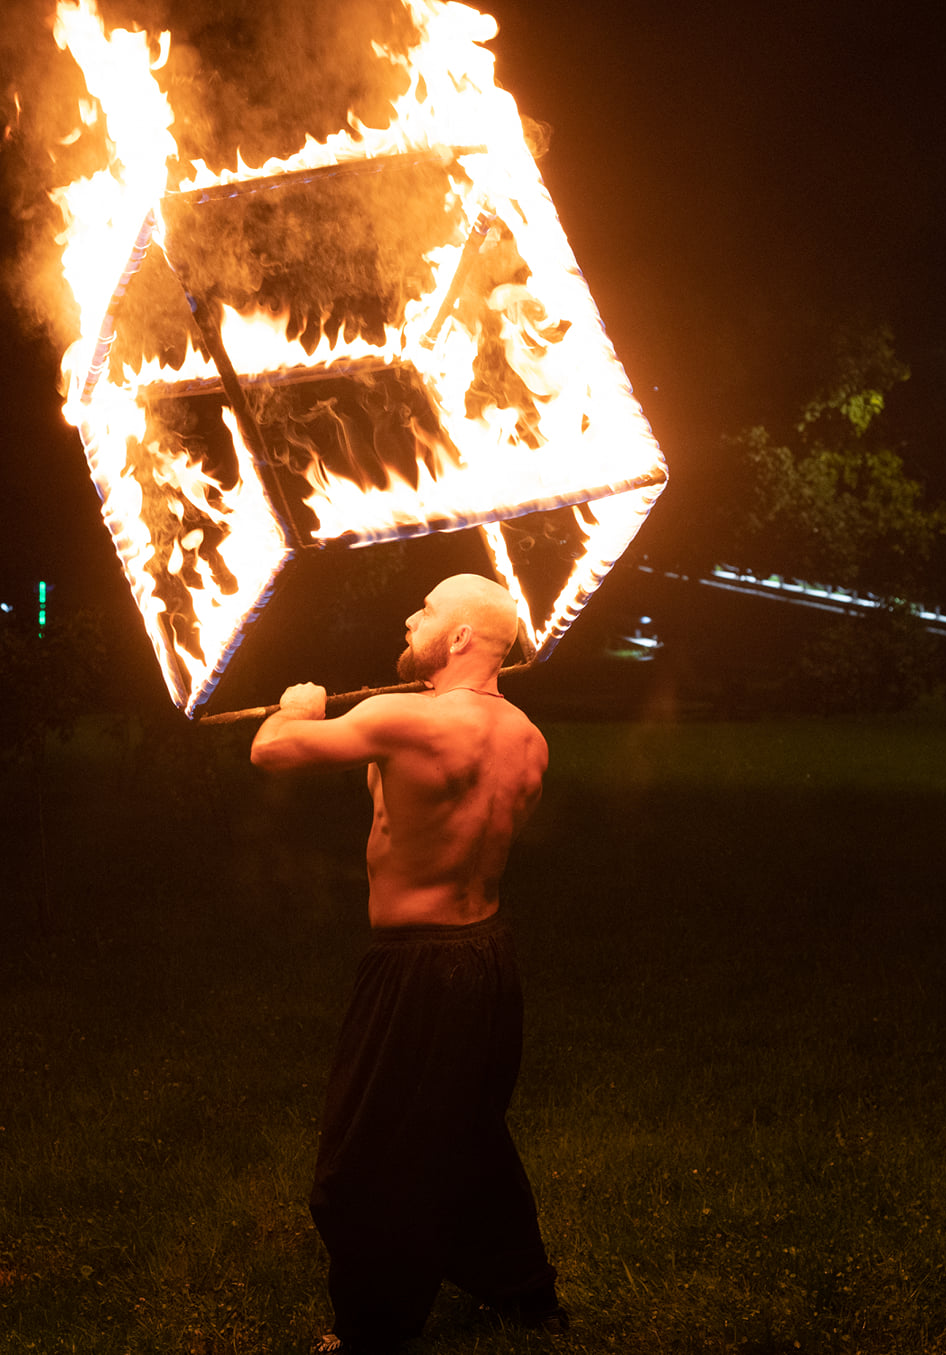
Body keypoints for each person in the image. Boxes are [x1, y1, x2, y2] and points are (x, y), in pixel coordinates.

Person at [250, 573, 565, 1354]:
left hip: (417, 968)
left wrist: (299, 705)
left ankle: (371, 1334)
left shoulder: (403, 719)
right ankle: (524, 1294)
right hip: (489, 960)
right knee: (468, 1133)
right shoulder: (529, 737)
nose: (409, 615)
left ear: (460, 637)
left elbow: (271, 751)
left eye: (426, 609)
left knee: (362, 1163)